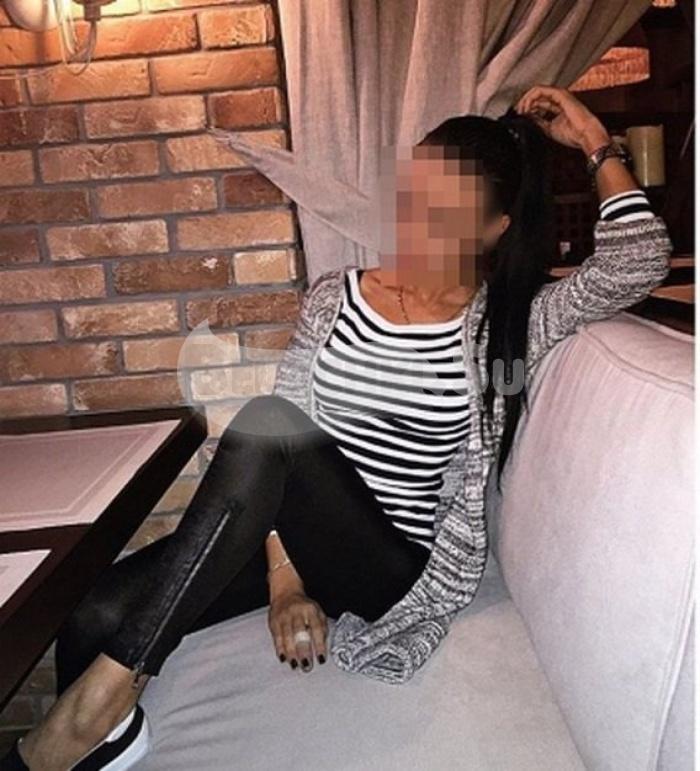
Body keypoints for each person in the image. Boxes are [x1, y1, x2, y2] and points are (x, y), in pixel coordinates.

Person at [2, 85, 671, 771]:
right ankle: (99, 743)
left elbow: (639, 262)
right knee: (92, 613)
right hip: (299, 543)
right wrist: (285, 583)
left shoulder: (509, 320)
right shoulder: (335, 296)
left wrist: (595, 142)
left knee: (269, 422)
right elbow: (274, 462)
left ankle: (97, 705)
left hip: (390, 566)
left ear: (493, 228)